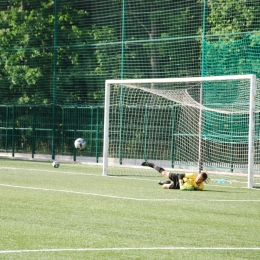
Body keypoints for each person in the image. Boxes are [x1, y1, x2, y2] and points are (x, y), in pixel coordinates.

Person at [141, 162, 210, 191]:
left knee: (164, 186)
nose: (198, 179)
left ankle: (166, 182)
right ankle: (152, 165)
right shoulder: (193, 175)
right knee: (164, 173)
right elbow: (181, 175)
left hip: (178, 186)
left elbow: (195, 189)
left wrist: (185, 187)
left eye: (200, 179)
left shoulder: (201, 187)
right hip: (178, 178)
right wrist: (181, 184)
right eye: (198, 177)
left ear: (202, 180)